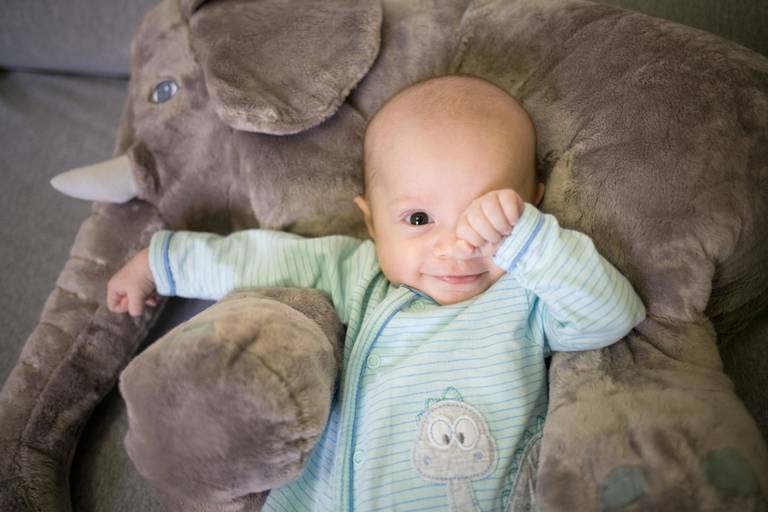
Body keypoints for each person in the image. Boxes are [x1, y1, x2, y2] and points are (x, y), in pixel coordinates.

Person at [108, 74, 646, 511]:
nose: (456, 247)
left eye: (489, 218)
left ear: (532, 202)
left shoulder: (527, 293)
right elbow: (258, 257)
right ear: (371, 222)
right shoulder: (357, 273)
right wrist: (162, 263)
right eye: (418, 218)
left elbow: (612, 315)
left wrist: (529, 242)